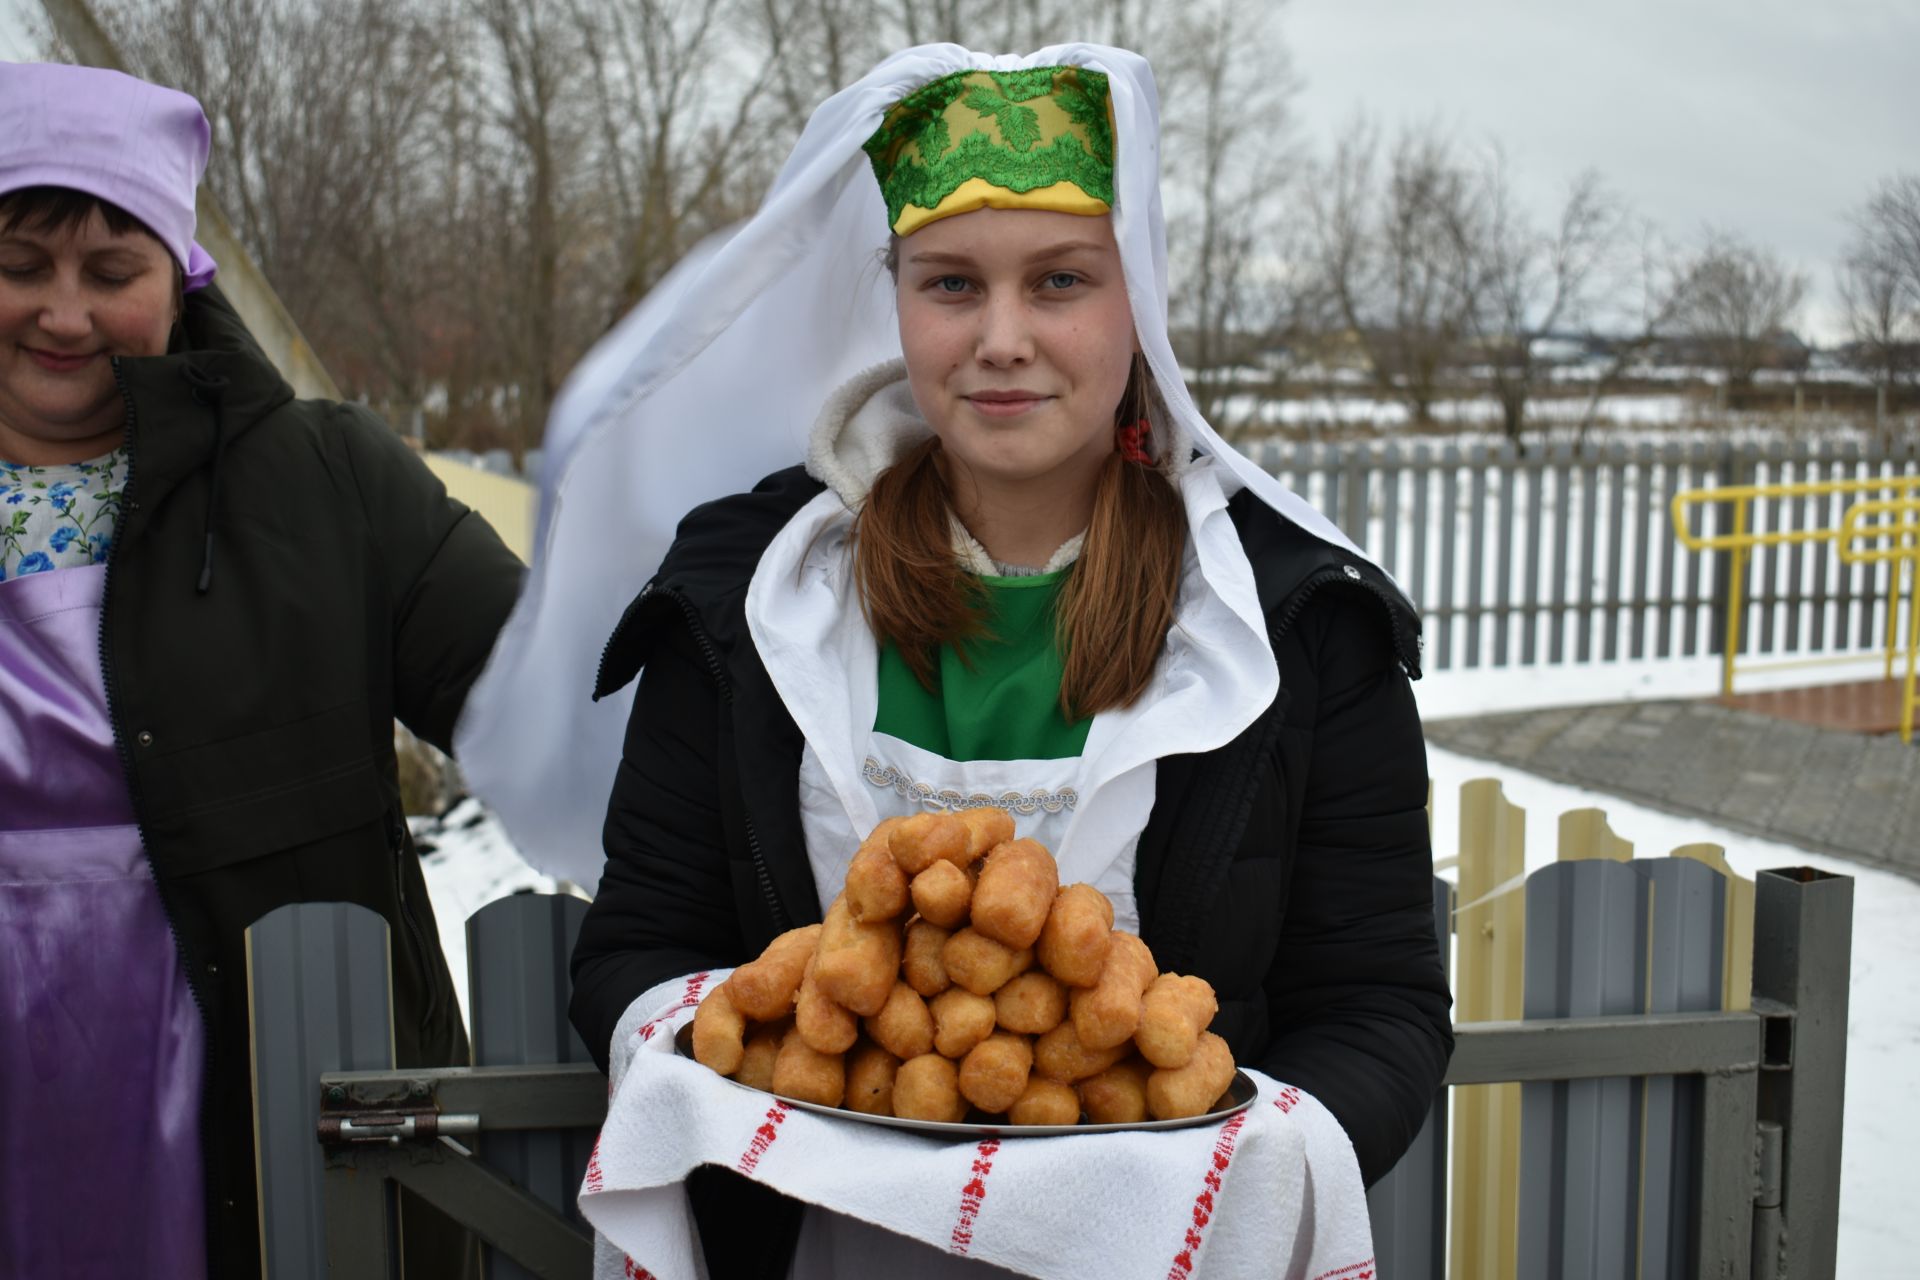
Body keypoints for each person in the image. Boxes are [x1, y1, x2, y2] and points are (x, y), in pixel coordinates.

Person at [458, 42, 1449, 1278]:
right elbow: (637, 950)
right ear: (897, 299)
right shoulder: (753, 600)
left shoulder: (1294, 622)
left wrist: (1210, 1175)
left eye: (1059, 281)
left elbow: (1381, 1008)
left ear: (1136, 298)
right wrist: (749, 1078)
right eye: (949, 284)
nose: (1001, 338)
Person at [0, 63, 522, 1277]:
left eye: (111, 272)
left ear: (179, 282)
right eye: (22, 266)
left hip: (252, 1102)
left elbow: (551, 696)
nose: (63, 315)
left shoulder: (323, 486)